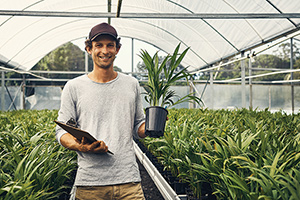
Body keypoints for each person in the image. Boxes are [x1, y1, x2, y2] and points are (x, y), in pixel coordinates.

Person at [55, 22, 147, 200]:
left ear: (117, 49)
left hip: (129, 182)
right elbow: (61, 131)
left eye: (110, 45)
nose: (105, 51)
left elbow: (137, 127)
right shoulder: (73, 87)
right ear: (89, 49)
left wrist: (151, 126)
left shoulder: (132, 84)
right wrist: (82, 146)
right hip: (90, 183)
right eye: (99, 45)